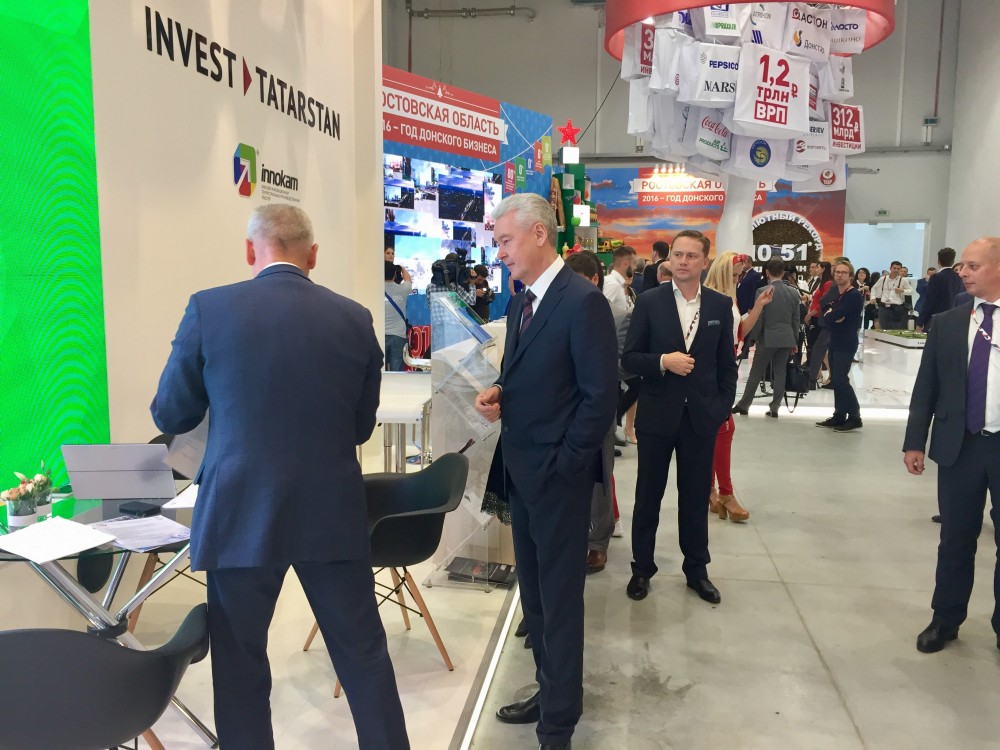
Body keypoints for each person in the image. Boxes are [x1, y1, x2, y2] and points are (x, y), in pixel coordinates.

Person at [150, 205, 407, 749]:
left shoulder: (209, 308)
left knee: (240, 666)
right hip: (331, 513)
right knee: (363, 654)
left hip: (240, 513)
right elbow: (360, 429)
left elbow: (170, 413)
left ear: (250, 250)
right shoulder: (354, 318)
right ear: (312, 255)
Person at [475, 194, 618, 750]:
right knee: (533, 599)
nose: (500, 252)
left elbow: (599, 398)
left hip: (557, 480)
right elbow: (531, 373)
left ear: (539, 234)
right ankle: (550, 690)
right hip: (522, 472)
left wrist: (564, 464)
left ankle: (558, 724)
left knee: (558, 603)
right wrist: (500, 392)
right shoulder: (522, 304)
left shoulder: (582, 302)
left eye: (505, 241)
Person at [621, 230, 738, 605]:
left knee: (695, 498)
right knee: (647, 497)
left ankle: (697, 570)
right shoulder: (649, 302)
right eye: (678, 255)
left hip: (701, 419)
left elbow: (727, 365)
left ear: (705, 262)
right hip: (657, 416)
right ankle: (642, 568)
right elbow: (629, 358)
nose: (683, 261)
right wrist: (662, 361)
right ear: (669, 258)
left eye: (691, 256)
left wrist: (720, 408)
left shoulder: (719, 306)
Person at [904, 237, 1000, 653]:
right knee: (956, 539)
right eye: (962, 265)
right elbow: (926, 386)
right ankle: (945, 618)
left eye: (973, 266)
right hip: (960, 446)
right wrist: (914, 441)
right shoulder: (948, 322)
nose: (962, 272)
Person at [705, 251, 774, 522]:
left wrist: (758, 306)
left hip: (725, 369)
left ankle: (714, 492)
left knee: (717, 431)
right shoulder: (711, 299)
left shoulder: (727, 299)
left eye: (739, 274)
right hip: (715, 373)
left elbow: (740, 331)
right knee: (723, 429)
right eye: (734, 275)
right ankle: (725, 493)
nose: (737, 278)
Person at [565, 251, 618, 574]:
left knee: (599, 475)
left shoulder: (602, 309)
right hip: (566, 406)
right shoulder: (564, 305)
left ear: (594, 280)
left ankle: (598, 542)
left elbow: (614, 364)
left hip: (597, 406)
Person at [732, 257, 799, 419]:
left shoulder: (762, 291)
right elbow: (796, 319)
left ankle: (744, 404)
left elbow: (759, 317)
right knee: (780, 372)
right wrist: (794, 340)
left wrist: (754, 337)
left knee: (756, 372)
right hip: (786, 338)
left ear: (767, 272)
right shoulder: (793, 293)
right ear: (783, 273)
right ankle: (775, 408)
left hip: (767, 337)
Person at [816, 261, 864, 432]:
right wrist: (832, 315)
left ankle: (855, 416)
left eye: (844, 272)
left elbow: (834, 314)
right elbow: (825, 313)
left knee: (840, 379)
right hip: (836, 340)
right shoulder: (838, 295)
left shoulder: (853, 295)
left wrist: (832, 314)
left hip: (846, 341)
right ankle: (839, 415)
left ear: (850, 276)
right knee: (836, 379)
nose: (840, 275)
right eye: (837, 272)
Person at [916, 247, 964, 332]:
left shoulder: (936, 277)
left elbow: (929, 301)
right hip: (954, 319)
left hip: (937, 319)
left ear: (938, 261)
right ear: (953, 261)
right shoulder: (959, 278)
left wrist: (920, 323)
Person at [384, 259, 412, 371]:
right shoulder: (403, 289)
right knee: (397, 372)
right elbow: (408, 278)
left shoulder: (375, 289)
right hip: (398, 336)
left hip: (380, 335)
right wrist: (401, 268)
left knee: (379, 370)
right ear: (395, 274)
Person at [870, 260, 911, 330]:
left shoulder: (903, 280)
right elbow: (874, 288)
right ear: (890, 268)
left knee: (896, 328)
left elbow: (910, 291)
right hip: (884, 306)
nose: (896, 270)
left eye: (898, 269)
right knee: (884, 327)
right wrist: (873, 298)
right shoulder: (883, 279)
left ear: (900, 270)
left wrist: (902, 291)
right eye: (894, 268)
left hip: (897, 307)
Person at [603, 245, 637, 324]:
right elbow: (602, 312)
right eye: (634, 263)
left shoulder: (618, 284)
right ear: (625, 264)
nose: (635, 267)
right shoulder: (613, 284)